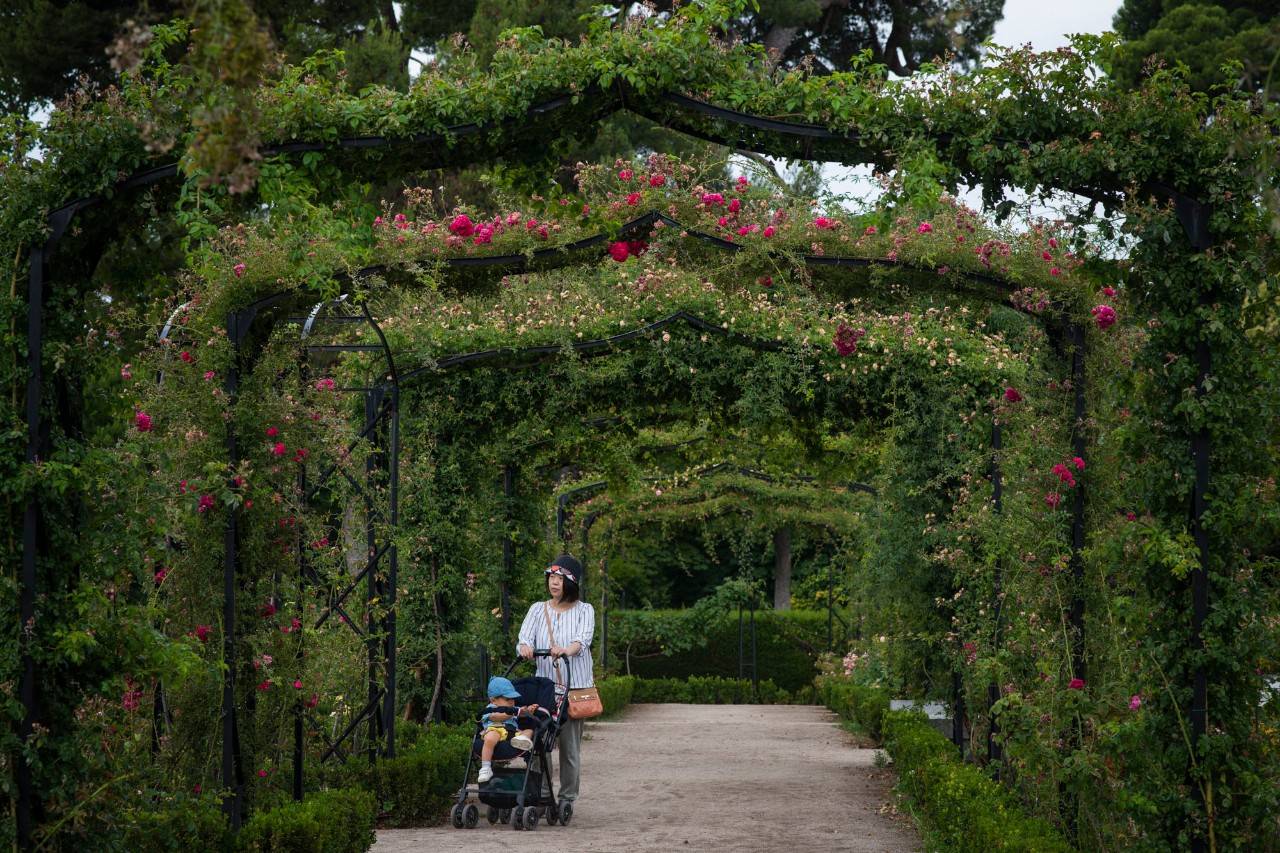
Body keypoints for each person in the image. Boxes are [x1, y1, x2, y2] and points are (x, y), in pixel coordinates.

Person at [516, 553, 595, 807]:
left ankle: (567, 798)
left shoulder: (585, 611)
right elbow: (524, 639)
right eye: (551, 577)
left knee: (569, 748)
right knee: (538, 743)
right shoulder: (537, 610)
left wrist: (566, 649)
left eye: (559, 579)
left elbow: (582, 641)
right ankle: (541, 793)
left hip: (573, 688)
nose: (554, 583)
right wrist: (525, 648)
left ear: (570, 583)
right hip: (545, 689)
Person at [476, 675, 539, 784]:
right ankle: (486, 768)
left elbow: (522, 714)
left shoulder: (514, 709)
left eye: (513, 699)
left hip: (512, 733)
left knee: (529, 730)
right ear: (493, 700)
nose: (511, 702)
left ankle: (522, 740)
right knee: (490, 737)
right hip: (495, 729)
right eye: (507, 699)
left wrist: (528, 710)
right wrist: (511, 713)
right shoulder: (490, 709)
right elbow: (495, 717)